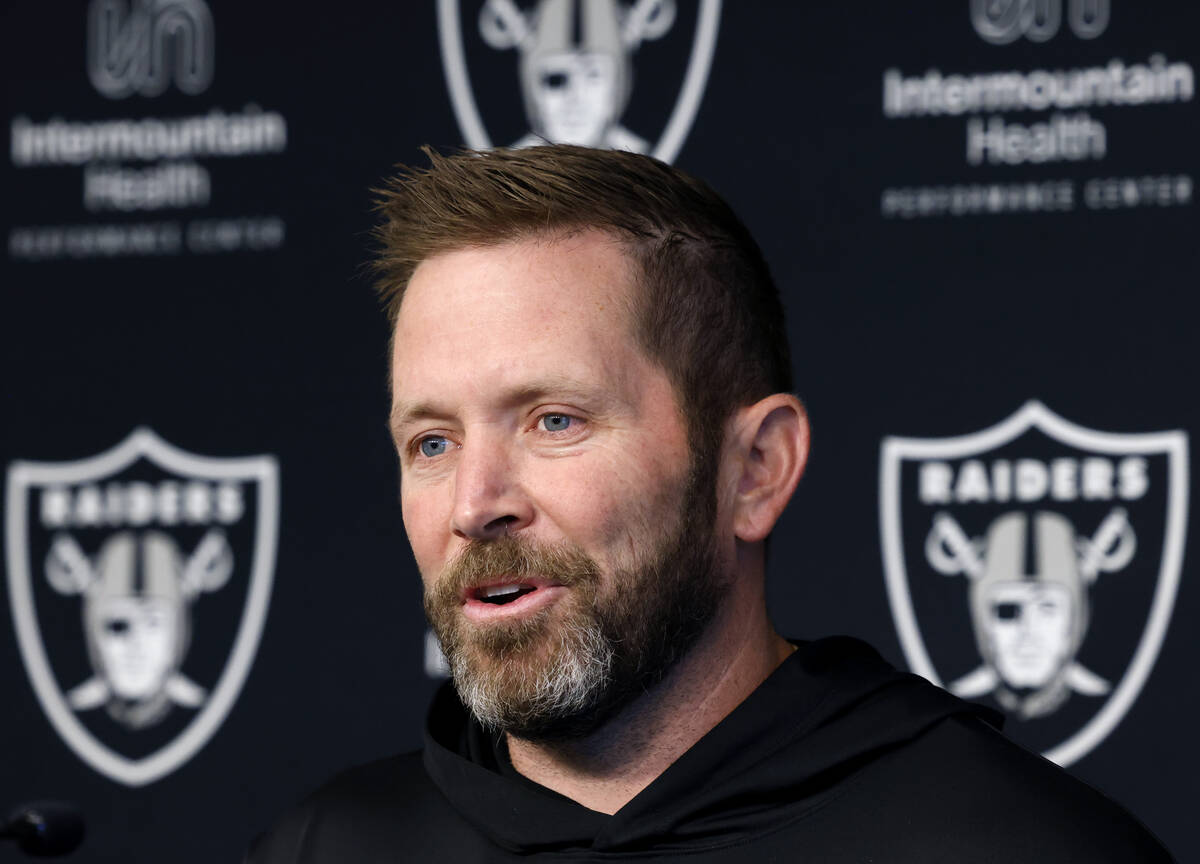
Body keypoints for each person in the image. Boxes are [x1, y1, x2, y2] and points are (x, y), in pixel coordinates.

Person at [247, 145, 1172, 862]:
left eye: (554, 420)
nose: (474, 504)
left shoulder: (1016, 847)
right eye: (432, 443)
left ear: (755, 470)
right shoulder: (325, 847)